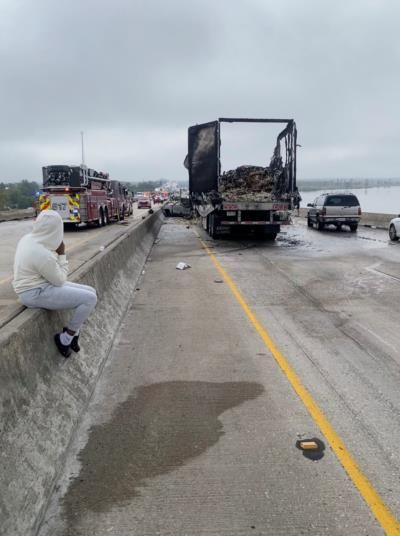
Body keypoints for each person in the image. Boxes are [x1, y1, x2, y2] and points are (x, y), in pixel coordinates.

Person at [12, 210, 97, 358]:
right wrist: (62, 254)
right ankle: (65, 339)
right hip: (34, 293)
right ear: (57, 229)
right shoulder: (41, 254)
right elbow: (60, 280)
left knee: (91, 291)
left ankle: (74, 333)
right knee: (89, 299)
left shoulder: (28, 239)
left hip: (39, 285)